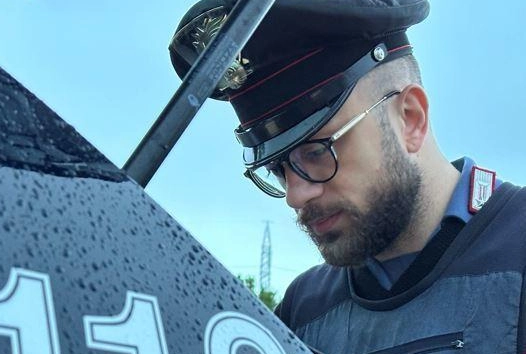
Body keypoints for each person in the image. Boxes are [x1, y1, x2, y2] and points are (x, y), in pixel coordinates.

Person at [169, 1, 526, 353]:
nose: (296, 195)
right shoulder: (303, 310)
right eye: (278, 169)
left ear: (411, 119)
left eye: (317, 152)